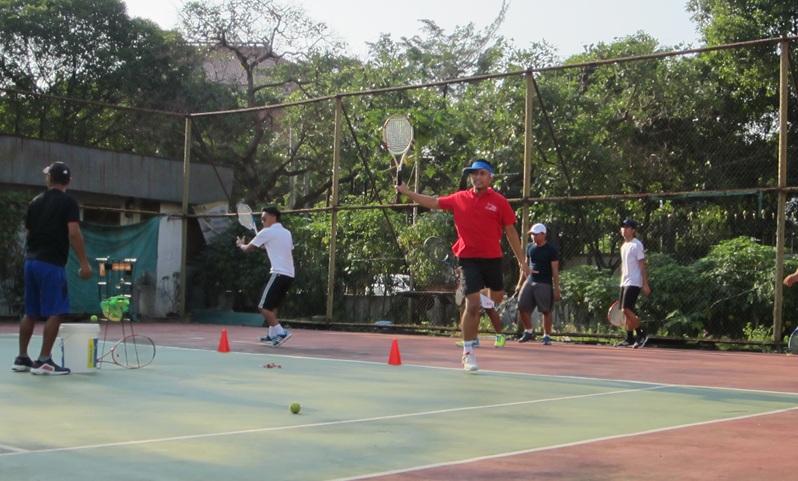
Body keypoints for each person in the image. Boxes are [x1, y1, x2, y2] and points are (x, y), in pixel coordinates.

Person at [397, 159, 529, 372]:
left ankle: (482, 302)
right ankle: (468, 352)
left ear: (490, 177)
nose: (477, 177)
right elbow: (432, 202)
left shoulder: (500, 202)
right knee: (473, 305)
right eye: (473, 174)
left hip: (493, 258)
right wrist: (408, 192)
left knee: (495, 299)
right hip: (468, 259)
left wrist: (522, 261)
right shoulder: (459, 198)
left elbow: (511, 232)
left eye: (482, 174)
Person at [12, 161, 92, 375]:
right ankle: (44, 360)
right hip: (51, 264)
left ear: (49, 179)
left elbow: (28, 233)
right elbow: (74, 232)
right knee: (56, 311)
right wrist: (84, 263)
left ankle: (22, 358)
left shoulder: (35, 202)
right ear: (69, 181)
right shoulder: (69, 203)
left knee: (31, 312)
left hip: (31, 261)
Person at [236, 206, 295, 347]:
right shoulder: (286, 233)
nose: (262, 221)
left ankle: (281, 332)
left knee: (263, 307)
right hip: (289, 275)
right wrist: (263, 244)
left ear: (273, 217)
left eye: (264, 218)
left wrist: (240, 245)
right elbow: (278, 247)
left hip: (278, 273)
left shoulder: (267, 232)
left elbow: (248, 249)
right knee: (273, 305)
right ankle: (272, 335)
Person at [516, 223, 560, 346]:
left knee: (546, 310)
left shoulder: (551, 250)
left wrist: (556, 288)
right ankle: (528, 331)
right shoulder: (530, 247)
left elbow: (555, 271)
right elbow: (524, 266)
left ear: (543, 234)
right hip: (530, 280)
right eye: (532, 235)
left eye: (536, 234)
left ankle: (546, 336)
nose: (533, 237)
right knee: (521, 305)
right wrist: (520, 283)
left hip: (544, 282)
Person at [617, 218, 651, 348]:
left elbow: (642, 265)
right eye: (623, 227)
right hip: (624, 282)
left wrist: (645, 283)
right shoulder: (623, 246)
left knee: (626, 309)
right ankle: (629, 338)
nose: (624, 229)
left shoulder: (637, 245)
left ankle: (641, 333)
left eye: (627, 227)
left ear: (633, 230)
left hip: (634, 281)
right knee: (627, 310)